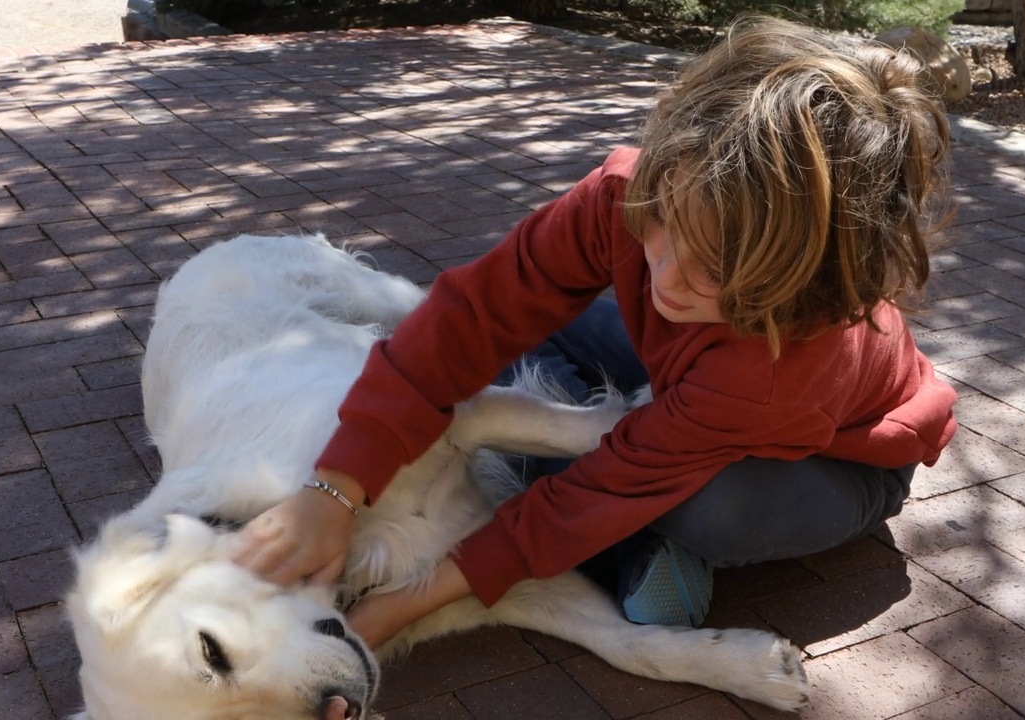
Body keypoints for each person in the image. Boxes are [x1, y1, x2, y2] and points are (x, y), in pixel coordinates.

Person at [233, 15, 958, 648]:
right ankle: (631, 470)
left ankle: (646, 535)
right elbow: (469, 317)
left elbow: (597, 493)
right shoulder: (632, 193)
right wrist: (330, 491)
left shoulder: (777, 372)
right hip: (695, 390)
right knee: (513, 332)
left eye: (713, 271)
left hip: (830, 462)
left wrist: (396, 609)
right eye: (660, 223)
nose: (665, 277)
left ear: (797, 279)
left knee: (703, 507)